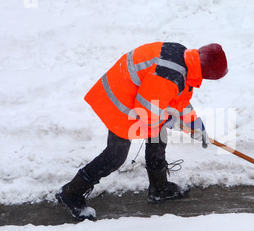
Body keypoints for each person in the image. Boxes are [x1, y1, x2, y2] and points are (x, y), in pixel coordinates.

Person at [56, 42, 228, 220]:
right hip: (120, 102)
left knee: (158, 134)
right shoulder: (171, 75)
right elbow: (148, 112)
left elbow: (177, 101)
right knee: (115, 156)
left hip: (134, 93)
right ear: (207, 73)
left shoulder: (185, 61)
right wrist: (167, 119)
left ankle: (159, 188)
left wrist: (196, 126)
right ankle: (71, 193)